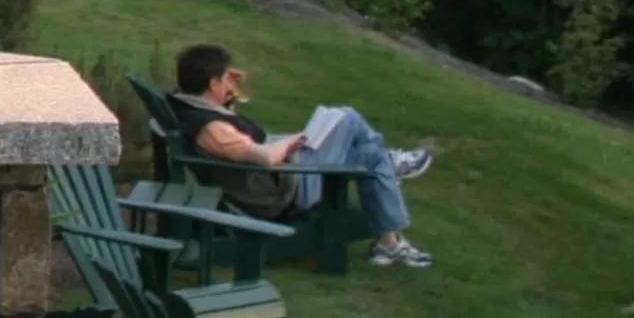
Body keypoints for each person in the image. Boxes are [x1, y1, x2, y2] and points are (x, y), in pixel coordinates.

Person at [169, 42, 436, 268]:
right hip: (284, 193)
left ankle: (388, 242)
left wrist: (225, 88)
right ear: (213, 82)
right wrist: (291, 143)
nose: (233, 81)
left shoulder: (191, 104)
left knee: (368, 154)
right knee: (347, 118)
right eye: (226, 77)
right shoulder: (212, 128)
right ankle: (394, 165)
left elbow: (242, 142)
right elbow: (264, 157)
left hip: (273, 182)